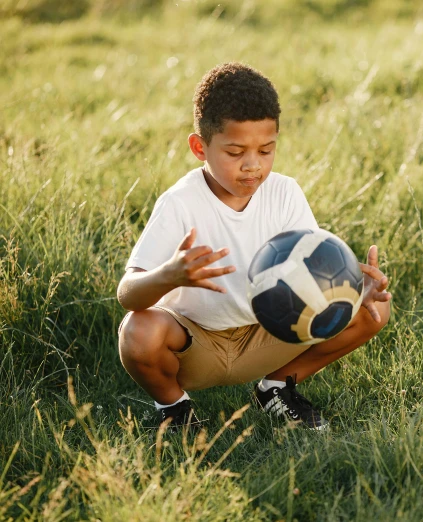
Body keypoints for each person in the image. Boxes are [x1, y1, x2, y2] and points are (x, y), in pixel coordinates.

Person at [116, 62, 391, 431]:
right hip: (196, 346)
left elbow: (311, 274)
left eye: (266, 150)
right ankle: (175, 409)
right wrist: (169, 275)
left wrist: (356, 292)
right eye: (235, 152)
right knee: (138, 331)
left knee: (373, 312)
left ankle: (276, 387)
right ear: (200, 147)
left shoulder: (284, 193)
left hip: (267, 333)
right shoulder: (180, 202)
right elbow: (128, 294)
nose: (252, 166)